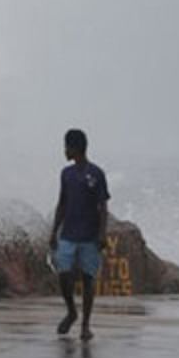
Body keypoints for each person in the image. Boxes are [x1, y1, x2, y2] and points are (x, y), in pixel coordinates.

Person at [49, 128, 109, 341]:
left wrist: (102, 234)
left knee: (88, 279)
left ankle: (85, 325)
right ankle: (71, 311)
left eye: (66, 146)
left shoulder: (96, 173)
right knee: (64, 274)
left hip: (89, 236)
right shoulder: (66, 174)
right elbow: (62, 203)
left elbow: (103, 207)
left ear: (75, 148)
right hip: (68, 234)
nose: (64, 151)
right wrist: (54, 231)